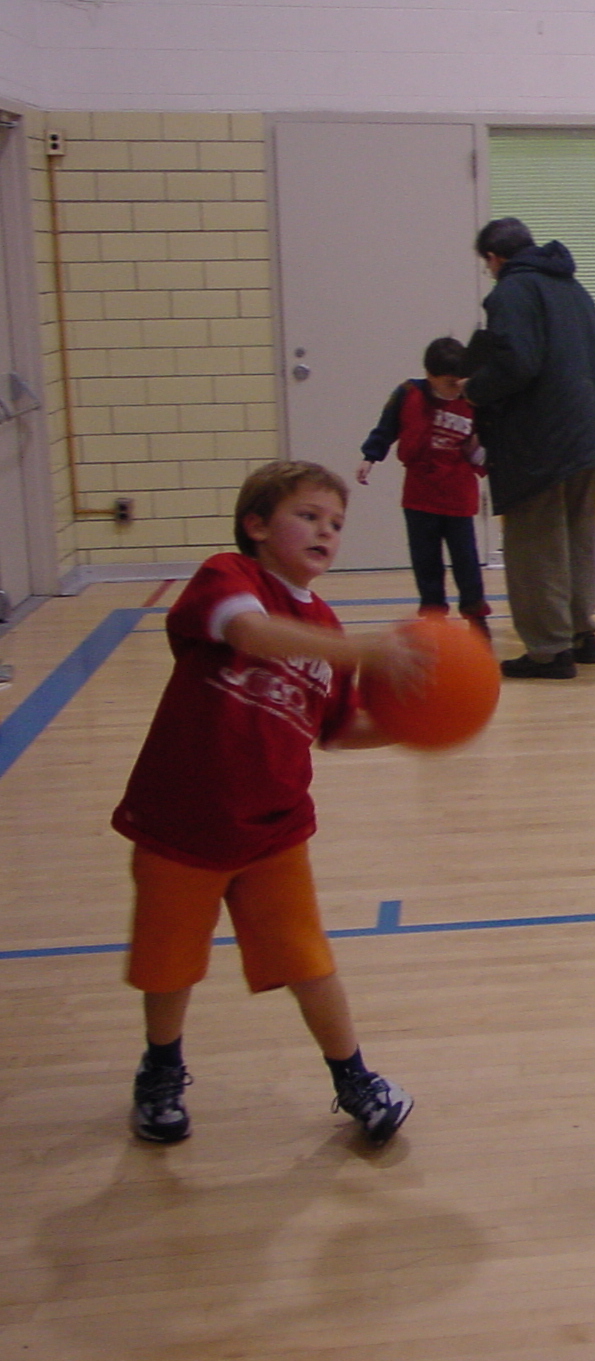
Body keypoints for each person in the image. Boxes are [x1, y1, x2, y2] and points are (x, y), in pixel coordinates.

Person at [112, 461, 426, 1147]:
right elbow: (251, 635)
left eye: (336, 522)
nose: (326, 531)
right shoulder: (227, 578)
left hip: (274, 829)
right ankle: (161, 1070)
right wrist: (364, 647)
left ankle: (354, 1078)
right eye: (308, 516)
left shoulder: (326, 626)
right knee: (169, 964)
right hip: (182, 820)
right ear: (255, 526)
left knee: (308, 961)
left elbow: (336, 730)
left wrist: (413, 727)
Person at [464, 216, 595, 679]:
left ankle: (548, 650)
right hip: (589, 434)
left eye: (488, 265)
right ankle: (580, 634)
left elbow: (518, 363)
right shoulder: (574, 289)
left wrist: (473, 389)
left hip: (540, 440)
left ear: (495, 258)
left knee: (535, 546)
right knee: (577, 538)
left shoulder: (512, 291)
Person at [356, 336, 491, 638]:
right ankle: (433, 616)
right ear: (430, 376)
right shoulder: (408, 395)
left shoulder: (473, 401)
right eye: (450, 383)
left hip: (458, 495)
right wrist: (370, 457)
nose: (457, 388)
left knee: (466, 562)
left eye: (461, 382)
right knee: (426, 562)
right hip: (420, 496)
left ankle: (475, 615)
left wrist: (483, 455)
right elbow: (386, 428)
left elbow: (487, 442)